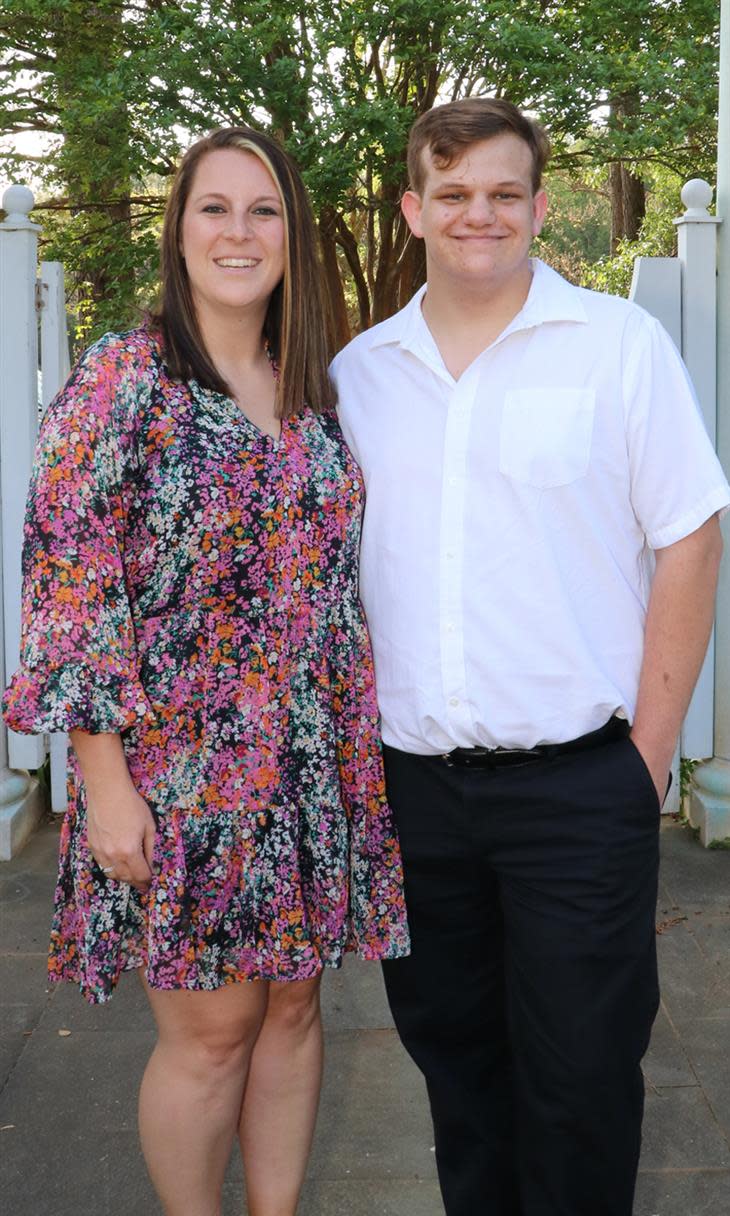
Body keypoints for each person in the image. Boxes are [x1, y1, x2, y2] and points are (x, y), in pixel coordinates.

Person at [330, 97, 730, 1216]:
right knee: (458, 1075)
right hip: (416, 797)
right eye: (452, 193)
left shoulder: (616, 346)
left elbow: (691, 536)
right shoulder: (359, 375)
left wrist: (643, 762)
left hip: (578, 788)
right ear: (412, 208)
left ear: (540, 207)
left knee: (583, 1081)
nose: (479, 214)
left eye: (504, 192)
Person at [3, 126, 409, 1216]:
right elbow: (70, 580)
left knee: (290, 1013)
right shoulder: (125, 374)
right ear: (178, 230)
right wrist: (102, 781)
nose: (239, 231)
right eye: (214, 208)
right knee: (210, 1030)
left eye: (263, 209)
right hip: (178, 773)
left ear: (293, 235)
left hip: (307, 763)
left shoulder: (307, 384)